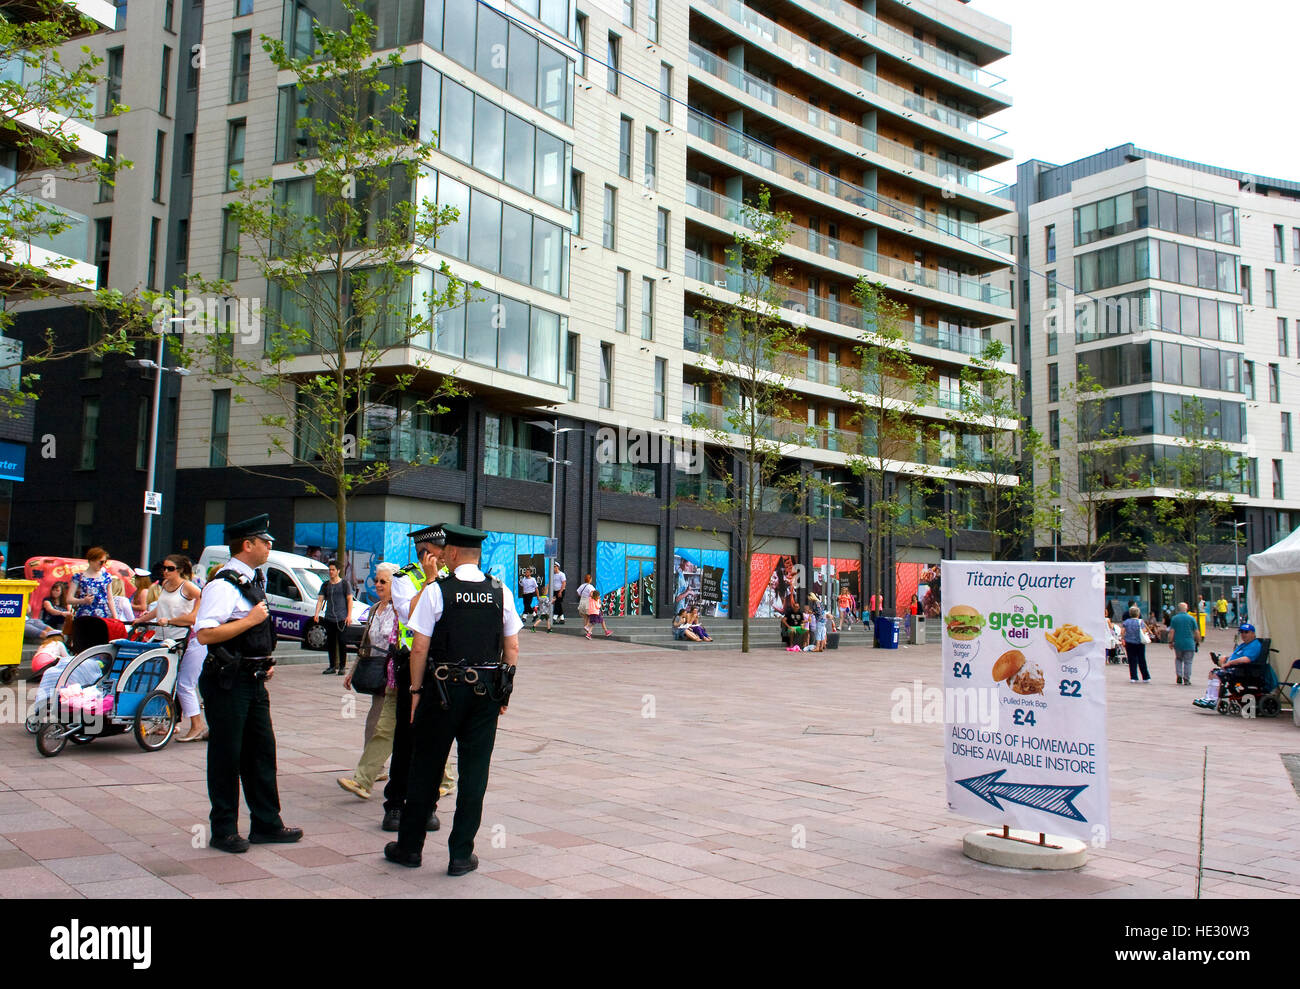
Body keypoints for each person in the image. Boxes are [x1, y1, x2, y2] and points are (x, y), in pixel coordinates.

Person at [385, 523, 520, 874]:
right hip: (484, 693)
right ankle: (461, 855)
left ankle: (409, 848)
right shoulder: (499, 591)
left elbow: (419, 647)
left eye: (445, 552)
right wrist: (503, 691)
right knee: (474, 775)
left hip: (441, 692)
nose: (440, 556)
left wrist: (415, 691)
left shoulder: (437, 591)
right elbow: (513, 646)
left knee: (425, 769)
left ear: (455, 554)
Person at [194, 515, 301, 854]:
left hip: (253, 679)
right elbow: (205, 633)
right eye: (264, 541)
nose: (270, 546)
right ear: (247, 544)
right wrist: (252, 620)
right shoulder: (222, 586)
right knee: (227, 756)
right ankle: (223, 830)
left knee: (261, 753)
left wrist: (263, 663)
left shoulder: (253, 581)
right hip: (227, 682)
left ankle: (266, 823)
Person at [383, 525, 454, 835]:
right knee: (407, 739)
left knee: (437, 739)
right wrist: (429, 580)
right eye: (440, 550)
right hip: (412, 666)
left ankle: (428, 805)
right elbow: (410, 614)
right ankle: (396, 805)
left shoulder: (453, 579)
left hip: (441, 667)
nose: (446, 555)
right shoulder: (404, 579)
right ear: (427, 553)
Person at [338, 563, 401, 800]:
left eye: (383, 581)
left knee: (380, 725)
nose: (377, 585)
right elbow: (366, 642)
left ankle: (367, 775)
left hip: (393, 674)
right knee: (377, 724)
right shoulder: (375, 609)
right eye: (376, 580)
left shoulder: (402, 609)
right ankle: (372, 772)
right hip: (376, 671)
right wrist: (353, 670)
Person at [136, 554, 205, 741]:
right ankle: (168, 721)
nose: (165, 571)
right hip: (167, 640)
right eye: (164, 568)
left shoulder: (188, 587)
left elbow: (193, 617)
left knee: (184, 684)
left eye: (170, 568)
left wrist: (171, 621)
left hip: (187, 640)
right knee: (165, 681)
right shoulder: (165, 586)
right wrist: (141, 620)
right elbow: (159, 610)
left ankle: (196, 725)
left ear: (180, 570)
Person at [312, 559, 352, 675]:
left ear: (338, 571)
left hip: (341, 618)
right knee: (330, 643)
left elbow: (349, 600)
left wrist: (349, 615)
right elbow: (320, 600)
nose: (331, 572)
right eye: (329, 570)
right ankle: (332, 666)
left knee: (342, 642)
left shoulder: (344, 584)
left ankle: (342, 666)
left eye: (333, 570)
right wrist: (316, 613)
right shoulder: (325, 585)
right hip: (329, 617)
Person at [69, 548, 114, 619]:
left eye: (105, 562)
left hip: (103, 615)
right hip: (84, 615)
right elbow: (69, 599)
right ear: (92, 560)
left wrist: (115, 617)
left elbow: (110, 599)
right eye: (101, 562)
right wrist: (83, 601)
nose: (103, 565)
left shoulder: (107, 577)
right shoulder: (78, 577)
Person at [1168, 602, 1202, 685]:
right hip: (1189, 643)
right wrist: (1198, 641)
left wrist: (1170, 641)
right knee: (1188, 662)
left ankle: (1179, 675)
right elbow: (1196, 632)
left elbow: (1172, 631)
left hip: (1178, 643)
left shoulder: (1174, 619)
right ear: (1186, 609)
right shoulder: (1191, 619)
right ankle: (1186, 679)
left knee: (1178, 659)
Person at [1122, 606, 1150, 683]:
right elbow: (1144, 631)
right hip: (1139, 643)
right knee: (1142, 659)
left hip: (1129, 643)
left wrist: (1123, 638)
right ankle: (1145, 677)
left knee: (1131, 659)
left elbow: (1123, 632)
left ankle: (1133, 677)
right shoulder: (1141, 622)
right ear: (1138, 614)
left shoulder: (1126, 622)